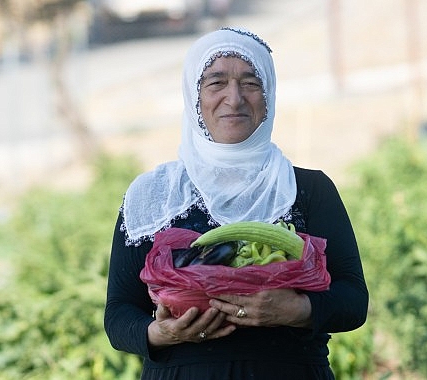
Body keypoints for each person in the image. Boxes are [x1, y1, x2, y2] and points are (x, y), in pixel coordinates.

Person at [104, 27, 369, 380]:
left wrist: (297, 310)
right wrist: (160, 333)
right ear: (194, 96)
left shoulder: (308, 189)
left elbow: (353, 300)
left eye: (250, 83)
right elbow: (119, 313)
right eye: (216, 83)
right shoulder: (154, 195)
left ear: (268, 95)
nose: (234, 98)